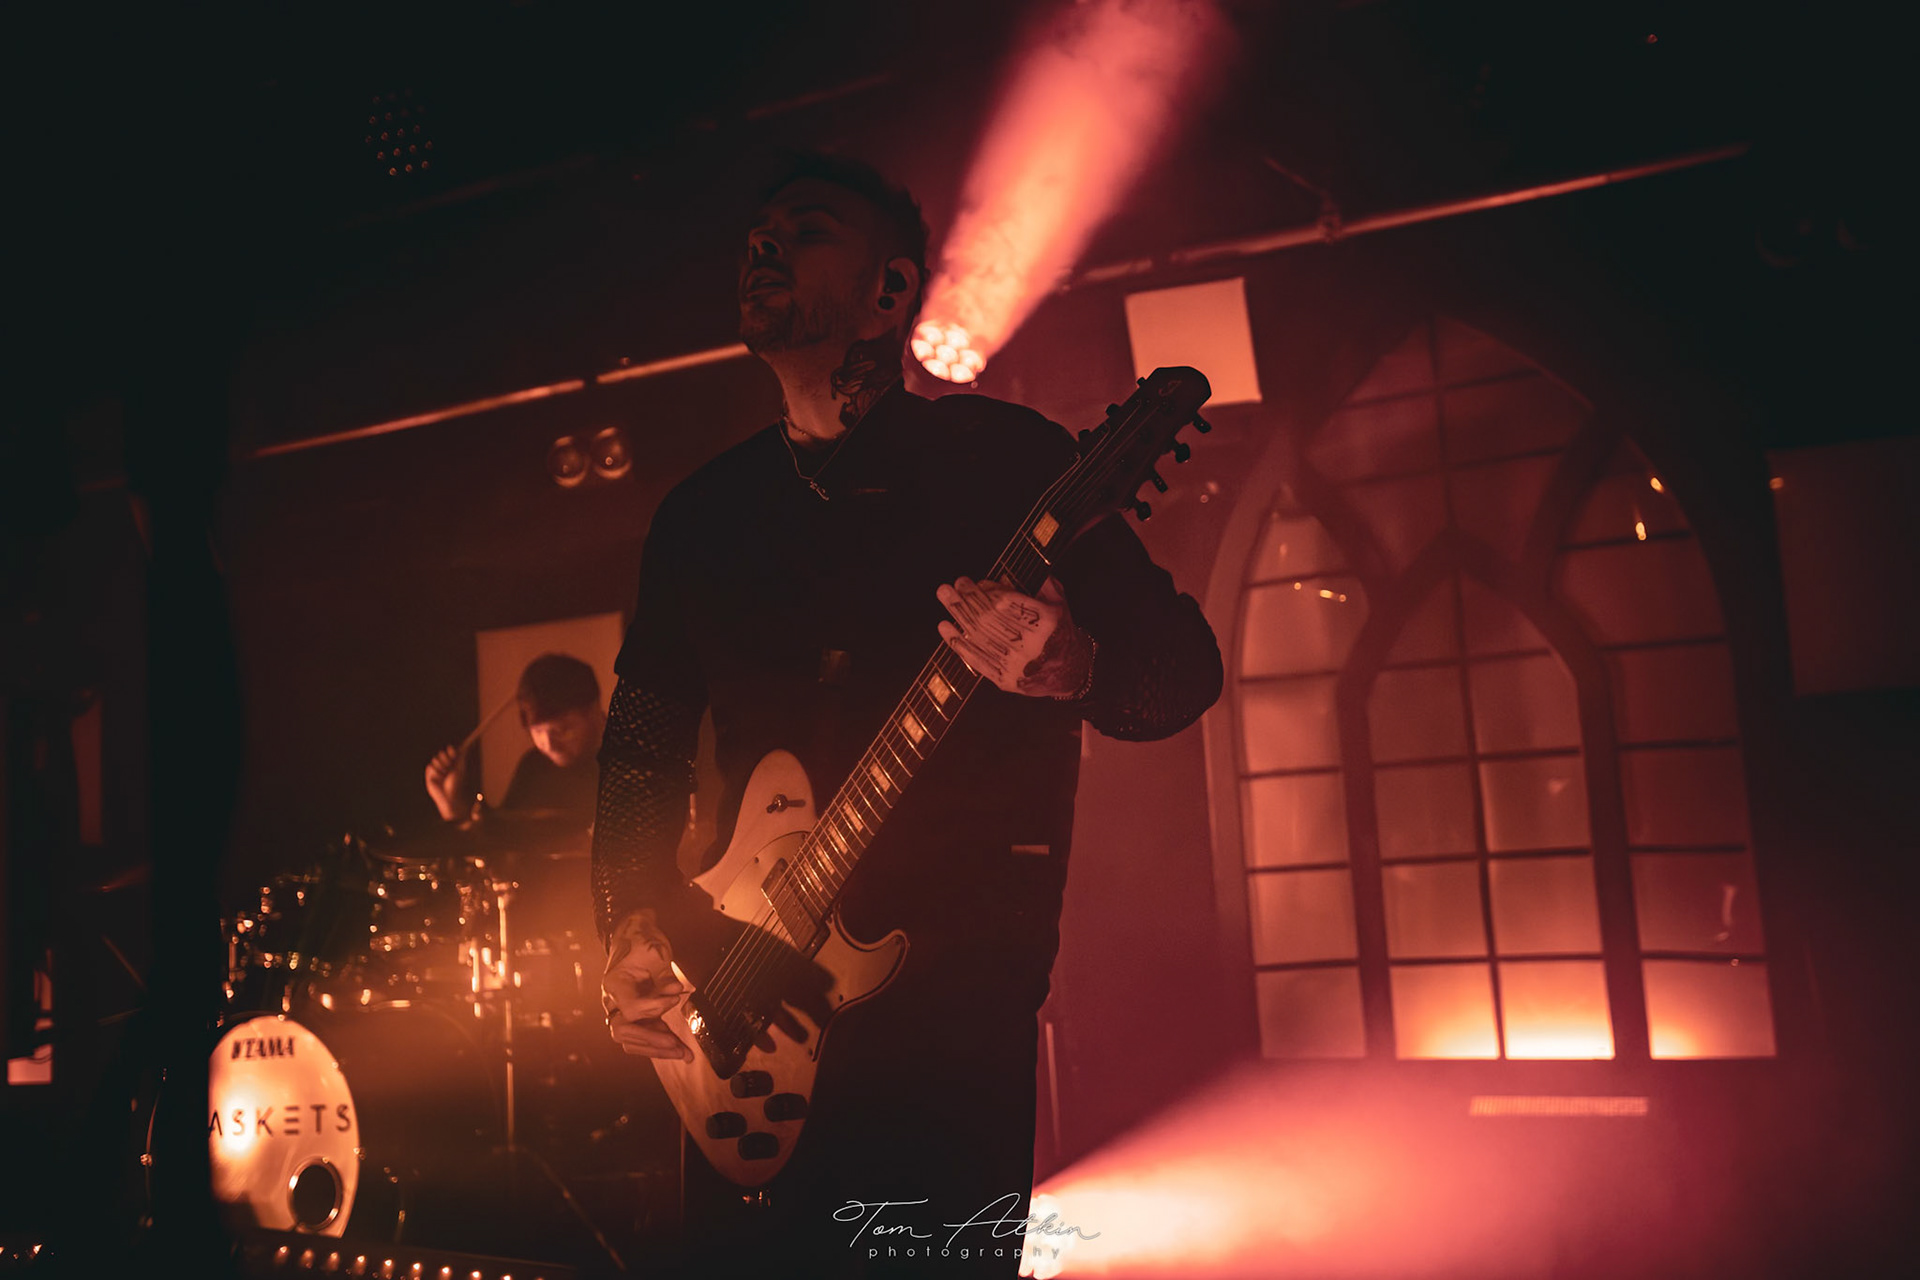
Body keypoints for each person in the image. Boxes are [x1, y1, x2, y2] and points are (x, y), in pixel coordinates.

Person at [592, 153, 1221, 1277]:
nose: (763, 245)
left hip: (948, 1026)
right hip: (740, 1006)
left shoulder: (1007, 465)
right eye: (758, 232)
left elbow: (1180, 672)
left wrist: (1072, 666)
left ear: (889, 291)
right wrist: (632, 920)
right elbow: (640, 748)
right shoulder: (702, 517)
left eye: (806, 229)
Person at [425, 652, 606, 823]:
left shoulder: (620, 767)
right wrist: (449, 805)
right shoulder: (534, 765)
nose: (549, 745)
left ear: (594, 710)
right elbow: (503, 841)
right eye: (537, 732)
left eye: (561, 730)